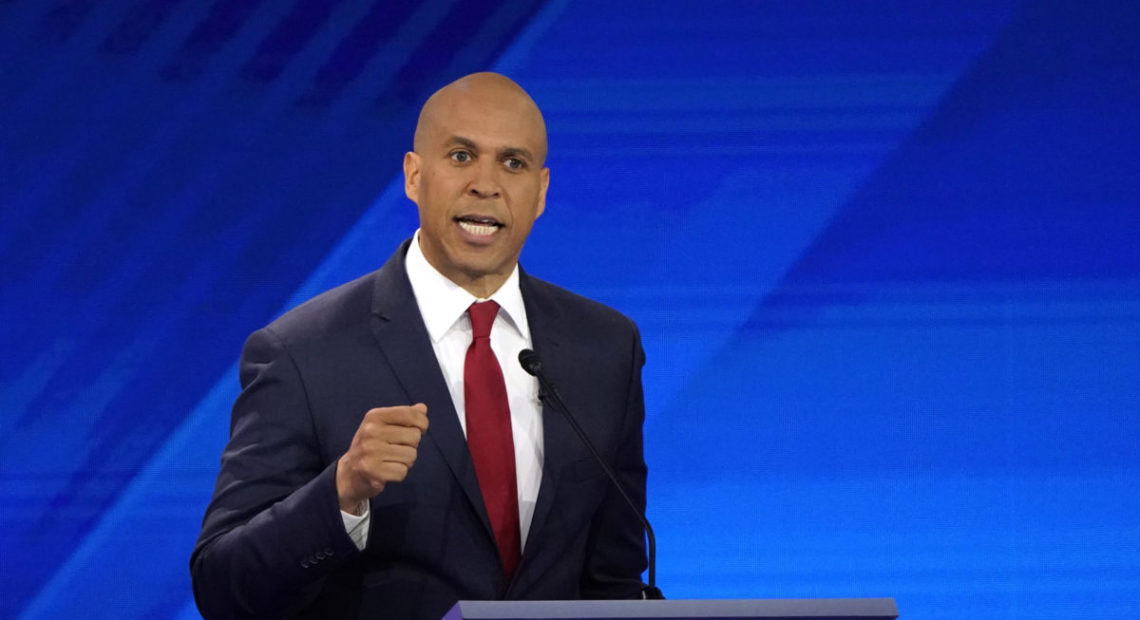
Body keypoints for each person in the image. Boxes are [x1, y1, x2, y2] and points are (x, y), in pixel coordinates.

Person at [190, 72, 650, 619]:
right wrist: (340, 493)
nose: (486, 184)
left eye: (513, 163)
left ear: (542, 192)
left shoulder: (604, 349)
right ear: (414, 176)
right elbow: (222, 585)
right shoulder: (302, 353)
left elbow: (613, 582)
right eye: (461, 156)